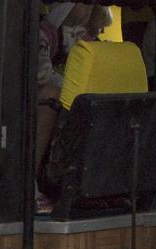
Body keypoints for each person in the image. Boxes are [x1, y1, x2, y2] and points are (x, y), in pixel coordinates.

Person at [35, 3, 111, 213]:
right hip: (45, 102)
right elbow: (40, 75)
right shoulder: (45, 34)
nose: (90, 7)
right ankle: (30, 182)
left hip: (77, 102)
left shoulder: (88, 39)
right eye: (84, 2)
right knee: (51, 95)